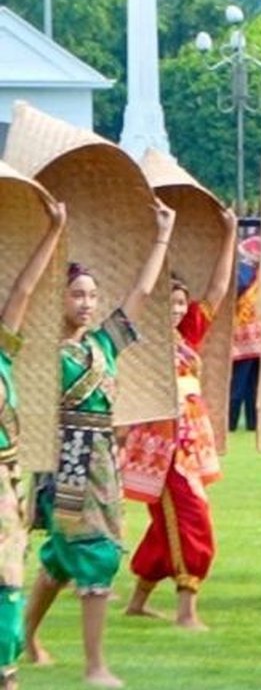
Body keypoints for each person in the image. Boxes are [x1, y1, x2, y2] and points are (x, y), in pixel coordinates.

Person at [25, 203, 175, 689]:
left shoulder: (103, 344)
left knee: (61, 558)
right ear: (59, 299)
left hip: (103, 460)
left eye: (91, 295)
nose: (86, 304)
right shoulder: (46, 350)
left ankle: (28, 639)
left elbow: (143, 292)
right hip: (67, 460)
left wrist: (161, 238)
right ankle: (94, 667)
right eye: (76, 295)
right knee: (96, 555)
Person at [121, 205, 238, 630]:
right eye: (167, 303)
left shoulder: (188, 333)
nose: (174, 309)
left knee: (166, 524)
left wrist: (229, 235)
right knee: (192, 521)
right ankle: (187, 612)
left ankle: (136, 602)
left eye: (178, 302)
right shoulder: (142, 340)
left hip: (190, 444)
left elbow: (219, 289)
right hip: (163, 446)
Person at [0, 199, 65, 689]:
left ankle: (8, 673)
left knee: (8, 586)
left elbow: (23, 288)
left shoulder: (3, 349)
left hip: (5, 483)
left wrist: (54, 230)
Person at [228, 234, 261, 432]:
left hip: (248, 338)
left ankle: (237, 423)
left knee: (246, 386)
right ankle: (246, 424)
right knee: (245, 386)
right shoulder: (251, 273)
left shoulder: (246, 272)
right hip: (249, 338)